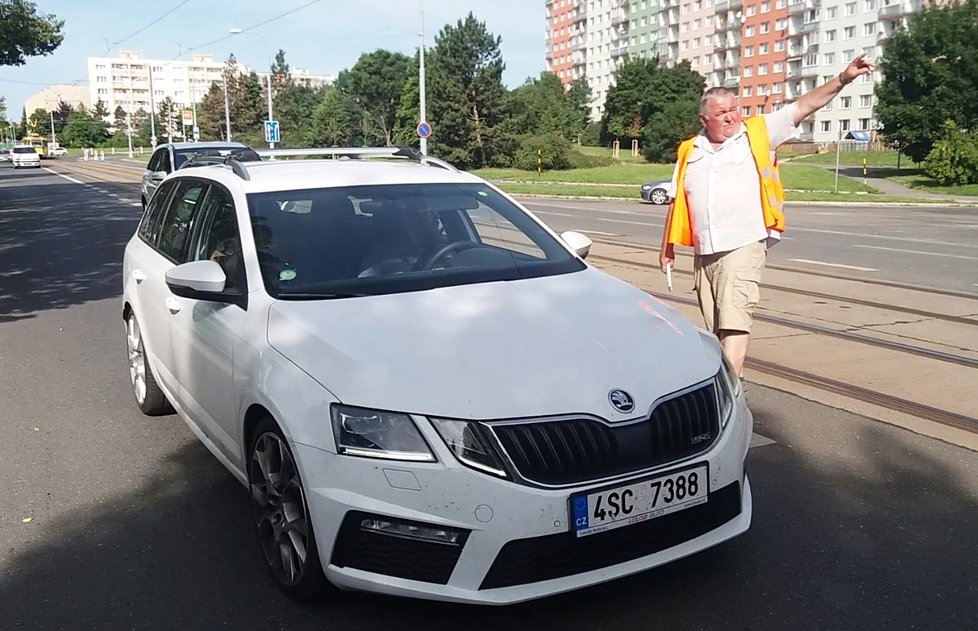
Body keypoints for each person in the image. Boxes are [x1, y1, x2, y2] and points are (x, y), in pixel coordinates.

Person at [659, 54, 875, 378]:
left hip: (743, 244)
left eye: (734, 109)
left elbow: (803, 106)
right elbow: (677, 201)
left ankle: (729, 398)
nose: (731, 117)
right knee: (717, 329)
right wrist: (667, 248)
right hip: (705, 252)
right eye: (722, 113)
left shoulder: (758, 132)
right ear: (705, 120)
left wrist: (844, 79)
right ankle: (729, 393)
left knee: (735, 325)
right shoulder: (690, 150)